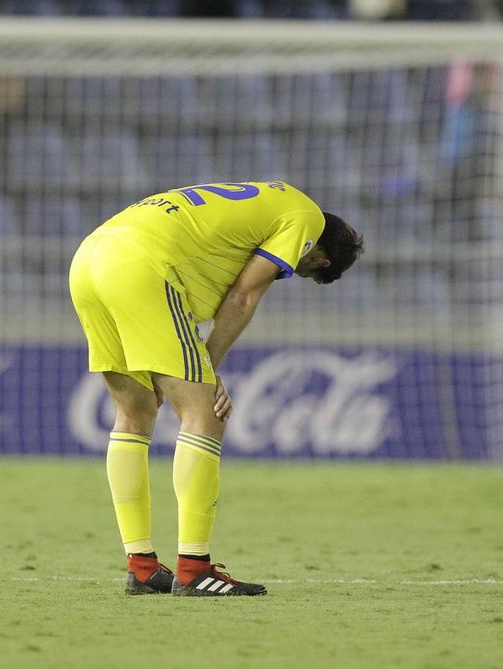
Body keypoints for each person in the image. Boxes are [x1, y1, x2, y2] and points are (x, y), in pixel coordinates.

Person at [68, 181, 364, 597]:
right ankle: (194, 569)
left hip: (90, 258)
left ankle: (142, 566)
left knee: (134, 414)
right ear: (320, 258)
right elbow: (243, 297)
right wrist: (209, 366)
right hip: (142, 264)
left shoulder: (269, 199)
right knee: (207, 413)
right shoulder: (305, 220)